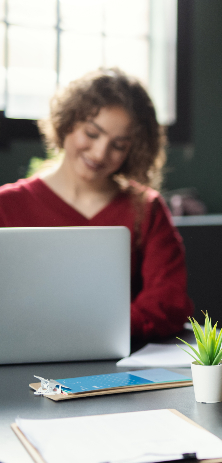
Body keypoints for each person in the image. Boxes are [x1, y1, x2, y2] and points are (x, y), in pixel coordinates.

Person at [0, 68, 194, 339]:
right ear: (67, 123)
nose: (100, 153)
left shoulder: (146, 208)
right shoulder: (6, 205)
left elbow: (168, 302)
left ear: (133, 150)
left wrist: (95, 332)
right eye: (92, 133)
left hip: (123, 365)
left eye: (119, 145)